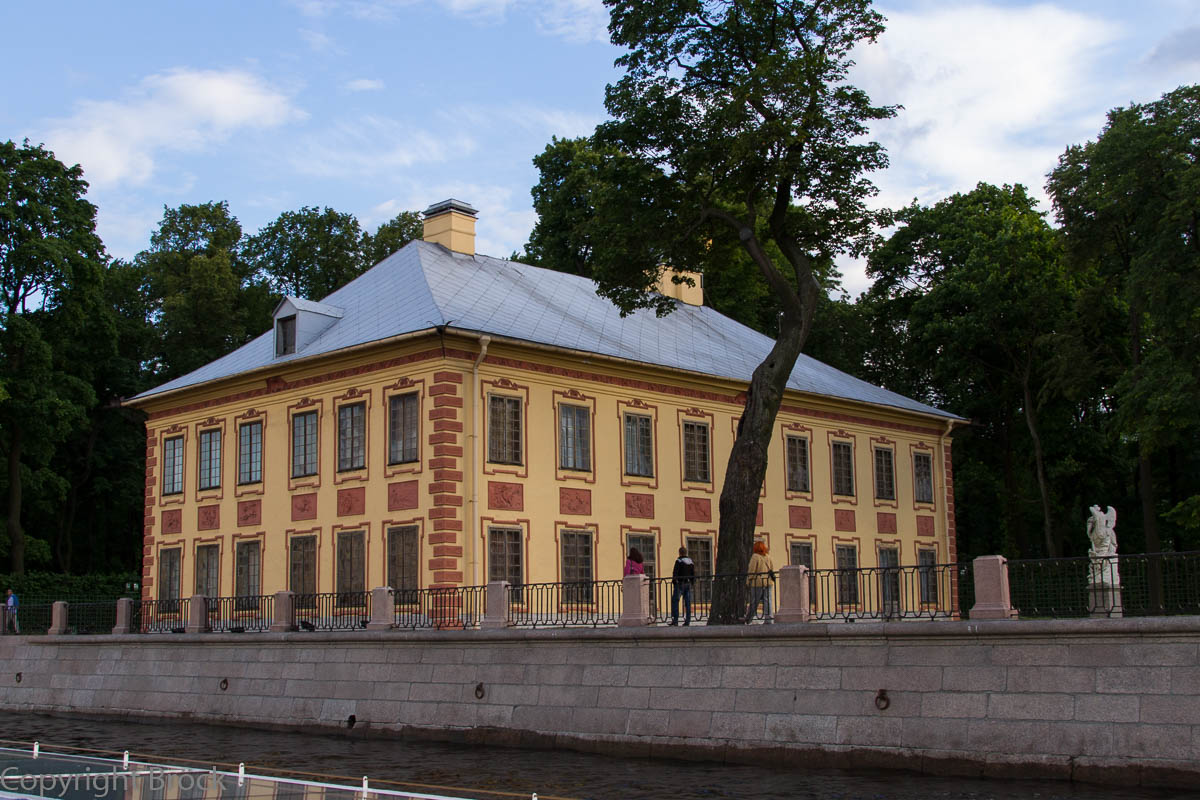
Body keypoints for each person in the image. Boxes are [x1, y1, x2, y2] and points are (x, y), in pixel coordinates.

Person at [746, 541, 775, 623]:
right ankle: (769, 619)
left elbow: (751, 570)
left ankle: (749, 618)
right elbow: (772, 568)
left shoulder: (755, 557)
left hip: (757, 582)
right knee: (768, 600)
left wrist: (748, 581)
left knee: (754, 601)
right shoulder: (768, 557)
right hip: (768, 581)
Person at [670, 547, 695, 626]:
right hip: (688, 583)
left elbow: (675, 572)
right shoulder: (691, 562)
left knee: (675, 601)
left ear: (680, 553)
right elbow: (693, 573)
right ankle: (688, 620)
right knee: (687, 603)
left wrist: (674, 582)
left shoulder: (679, 561)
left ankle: (675, 620)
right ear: (686, 553)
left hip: (680, 584)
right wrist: (692, 582)